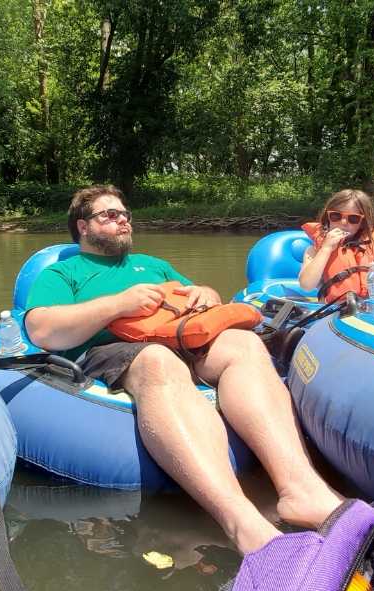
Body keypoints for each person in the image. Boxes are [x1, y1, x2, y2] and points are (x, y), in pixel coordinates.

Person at [24, 184, 344, 554]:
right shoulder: (64, 273)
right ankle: (241, 522)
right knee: (159, 361)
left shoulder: (154, 265)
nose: (122, 220)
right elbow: (41, 328)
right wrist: (118, 304)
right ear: (83, 226)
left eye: (125, 214)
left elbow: (200, 297)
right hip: (116, 348)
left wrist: (205, 293)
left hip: (182, 337)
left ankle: (302, 489)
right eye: (109, 215)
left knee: (244, 343)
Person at [297, 189, 374, 302]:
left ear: (362, 223)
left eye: (353, 218)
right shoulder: (313, 251)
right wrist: (326, 249)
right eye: (336, 216)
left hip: (368, 309)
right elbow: (306, 285)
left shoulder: (371, 248)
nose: (343, 222)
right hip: (334, 311)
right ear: (327, 218)